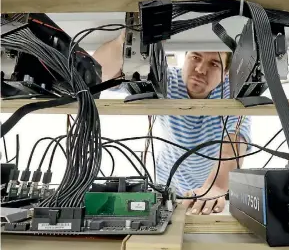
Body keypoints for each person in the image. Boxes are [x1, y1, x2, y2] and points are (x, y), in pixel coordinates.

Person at [93, 31, 251, 215]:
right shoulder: (166, 81)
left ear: (225, 73)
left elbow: (232, 144)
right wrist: (125, 40)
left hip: (214, 188)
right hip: (167, 183)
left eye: (214, 63)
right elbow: (97, 74)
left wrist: (215, 187)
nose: (200, 69)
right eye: (195, 57)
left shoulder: (232, 93)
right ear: (184, 57)